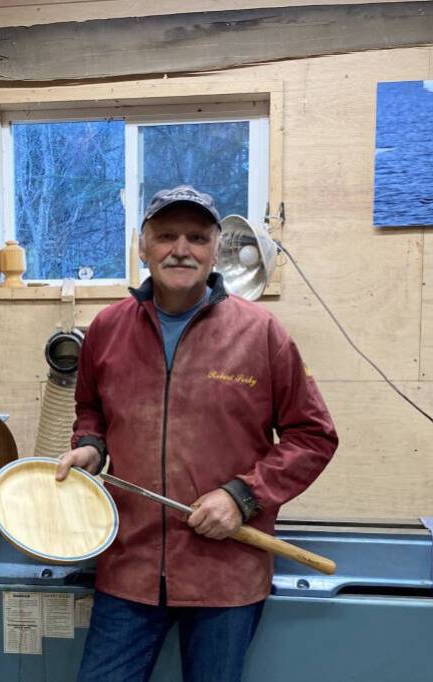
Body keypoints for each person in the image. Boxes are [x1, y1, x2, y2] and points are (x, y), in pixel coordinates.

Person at [56, 185, 338, 682]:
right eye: (166, 236)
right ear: (142, 246)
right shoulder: (106, 330)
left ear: (214, 250)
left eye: (196, 237)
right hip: (129, 565)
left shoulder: (260, 333)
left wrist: (242, 497)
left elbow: (312, 435)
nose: (180, 249)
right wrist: (90, 447)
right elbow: (91, 409)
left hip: (225, 573)